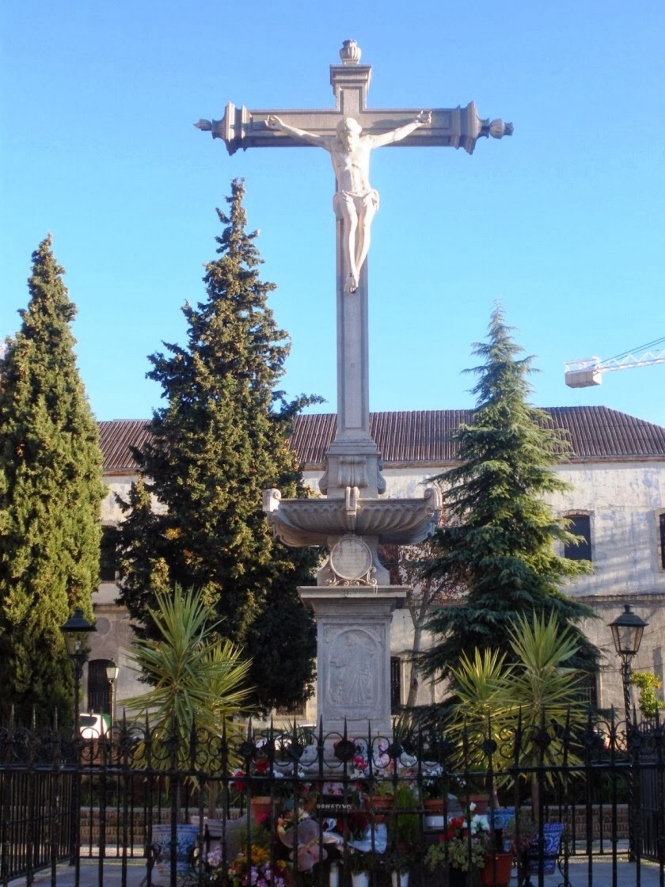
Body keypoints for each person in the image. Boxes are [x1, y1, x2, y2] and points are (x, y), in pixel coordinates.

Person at [265, 111, 431, 292]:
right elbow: (306, 136)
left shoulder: (367, 142)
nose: (347, 138)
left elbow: (393, 135)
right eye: (343, 134)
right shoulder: (333, 145)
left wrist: (416, 123)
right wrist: (282, 126)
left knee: (365, 226)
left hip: (365, 193)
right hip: (346, 194)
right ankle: (351, 270)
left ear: (357, 132)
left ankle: (356, 271)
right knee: (351, 223)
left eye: (350, 133)